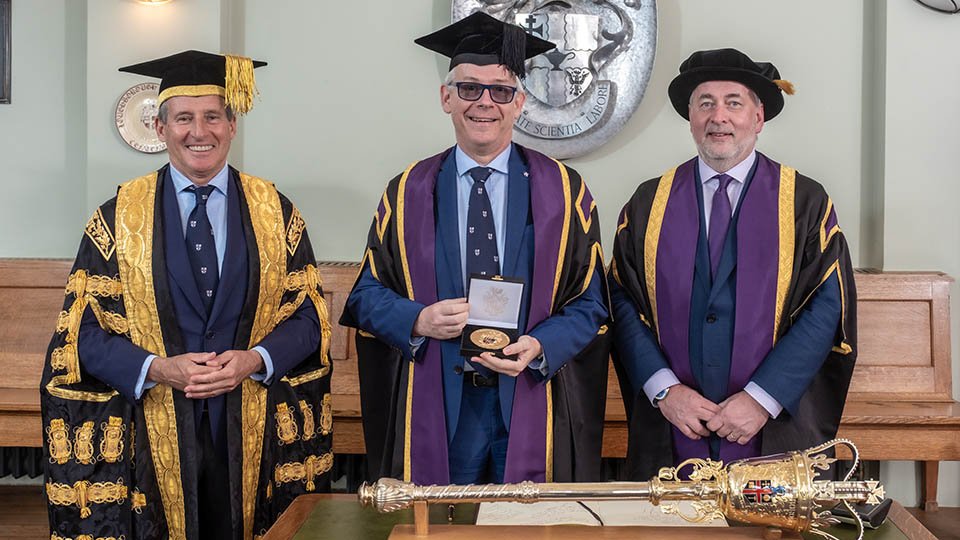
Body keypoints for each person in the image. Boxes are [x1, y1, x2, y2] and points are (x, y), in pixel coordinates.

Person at [40, 50, 333, 540]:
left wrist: (255, 359)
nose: (200, 131)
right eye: (183, 118)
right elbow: (81, 332)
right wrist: (155, 368)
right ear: (160, 127)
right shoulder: (118, 217)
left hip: (250, 422)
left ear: (232, 125)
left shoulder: (275, 212)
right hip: (150, 423)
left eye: (212, 116)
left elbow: (308, 319)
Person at [340, 12, 610, 486]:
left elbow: (591, 302)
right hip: (442, 397)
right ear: (446, 97)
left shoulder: (565, 193)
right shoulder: (406, 193)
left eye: (501, 91)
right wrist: (418, 320)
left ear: (520, 102)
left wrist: (542, 344)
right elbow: (365, 296)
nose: (485, 102)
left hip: (529, 392)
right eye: (469, 88)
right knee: (444, 527)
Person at [609, 48, 857, 478]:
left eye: (733, 103)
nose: (718, 117)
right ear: (690, 117)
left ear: (758, 119)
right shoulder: (649, 202)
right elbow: (621, 301)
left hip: (771, 425)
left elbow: (826, 308)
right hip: (674, 422)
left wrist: (763, 398)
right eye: (705, 103)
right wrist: (664, 390)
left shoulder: (803, 202)